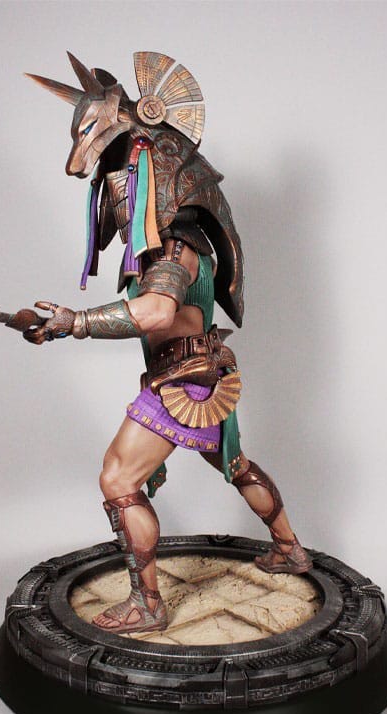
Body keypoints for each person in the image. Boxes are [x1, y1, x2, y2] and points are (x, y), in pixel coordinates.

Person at [23, 51, 313, 634]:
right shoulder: (176, 244)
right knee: (234, 463)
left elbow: (155, 310)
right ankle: (289, 549)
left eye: (121, 179)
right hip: (204, 372)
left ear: (150, 177)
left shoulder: (175, 249)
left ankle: (147, 604)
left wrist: (76, 321)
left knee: (118, 479)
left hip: (184, 383)